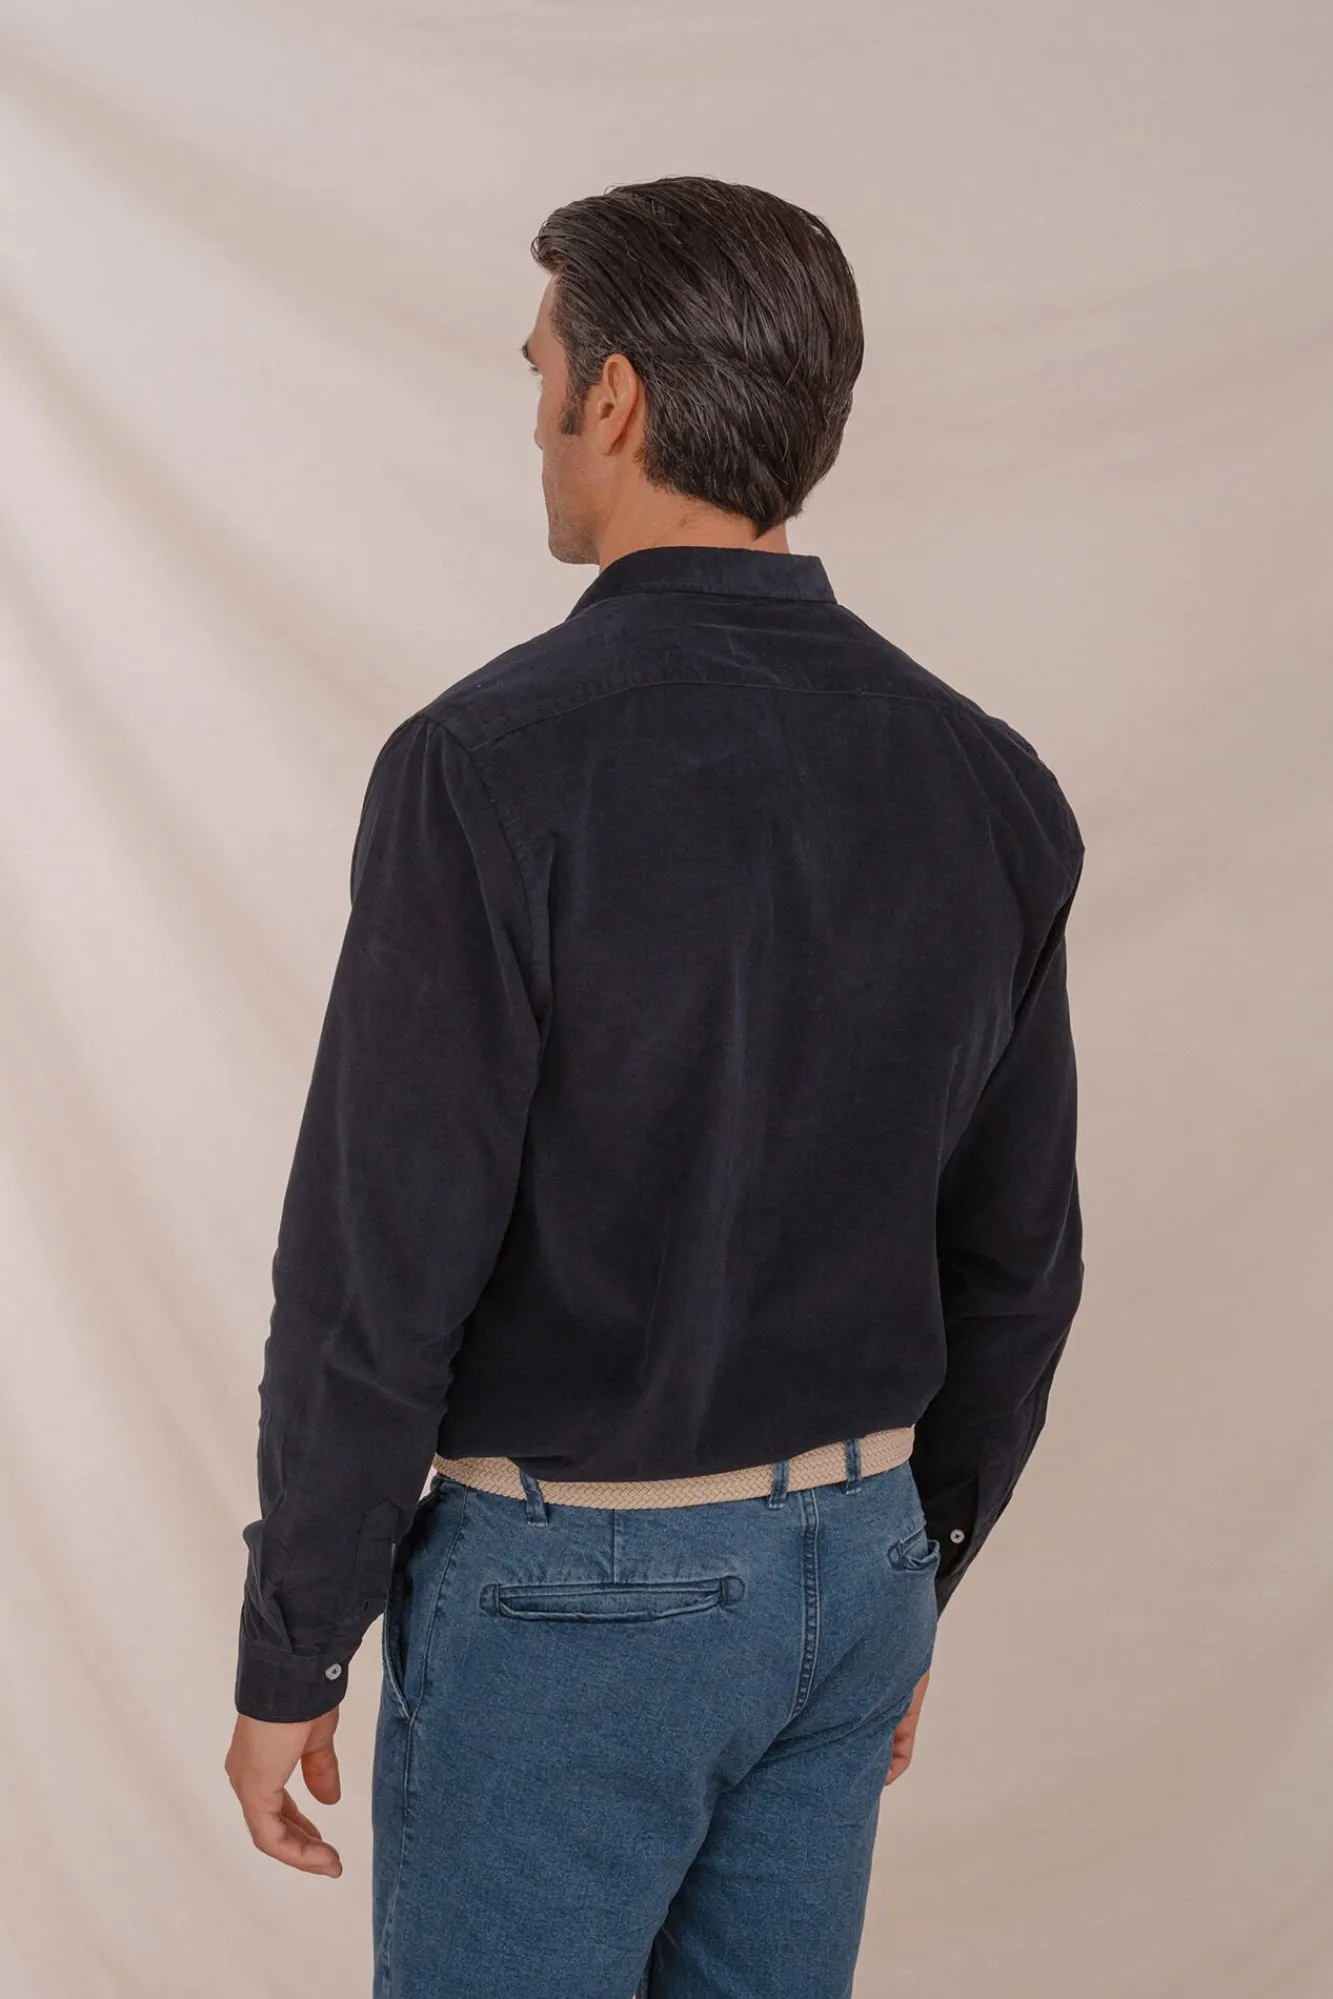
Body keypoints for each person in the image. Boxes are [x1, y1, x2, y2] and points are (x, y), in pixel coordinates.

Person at [225, 175, 1084, 1999]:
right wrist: (914, 1557)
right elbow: (1021, 1261)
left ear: (611, 398)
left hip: (574, 1600)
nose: (533, 414)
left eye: (539, 369)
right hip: (852, 1573)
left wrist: (296, 1638)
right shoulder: (988, 783)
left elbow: (383, 1267)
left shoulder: (487, 767)